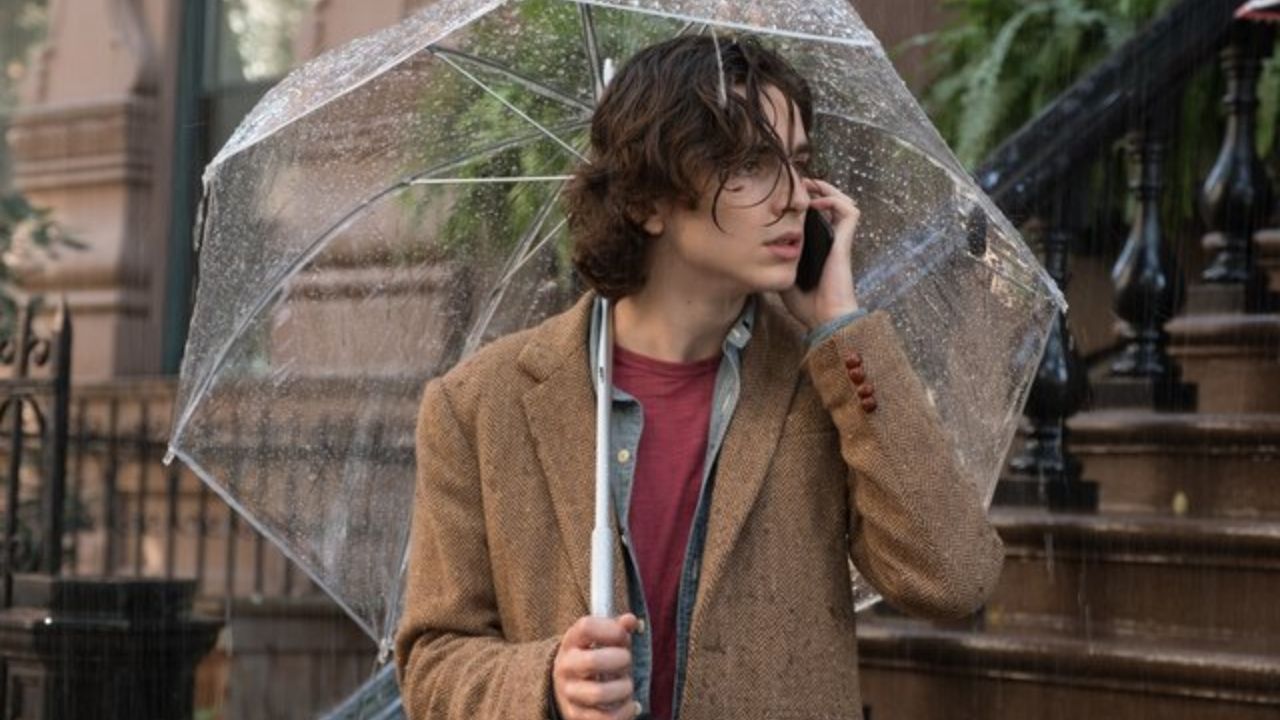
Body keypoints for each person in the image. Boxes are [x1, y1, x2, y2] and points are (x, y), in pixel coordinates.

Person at [394, 34, 1004, 720]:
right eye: (749, 162)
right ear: (648, 200)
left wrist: (841, 326)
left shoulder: (828, 382)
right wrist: (548, 683)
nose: (795, 197)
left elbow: (954, 578)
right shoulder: (478, 405)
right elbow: (432, 661)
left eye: (798, 163)